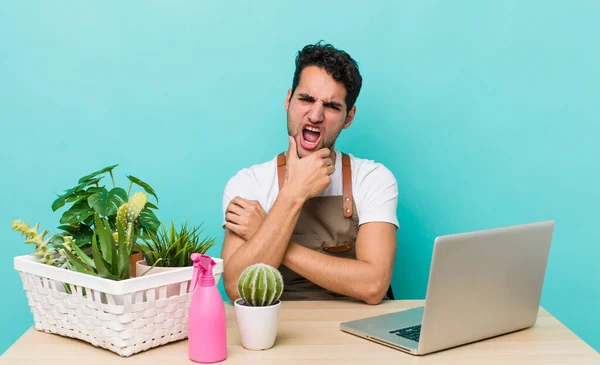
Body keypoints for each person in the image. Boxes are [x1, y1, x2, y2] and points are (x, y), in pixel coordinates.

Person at [221, 41, 399, 305]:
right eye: (305, 99)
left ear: (349, 117)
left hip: (357, 331)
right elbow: (237, 287)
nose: (315, 115)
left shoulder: (373, 179)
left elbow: (373, 285)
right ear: (288, 100)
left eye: (331, 106)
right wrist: (295, 192)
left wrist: (267, 233)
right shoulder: (248, 183)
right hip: (276, 331)